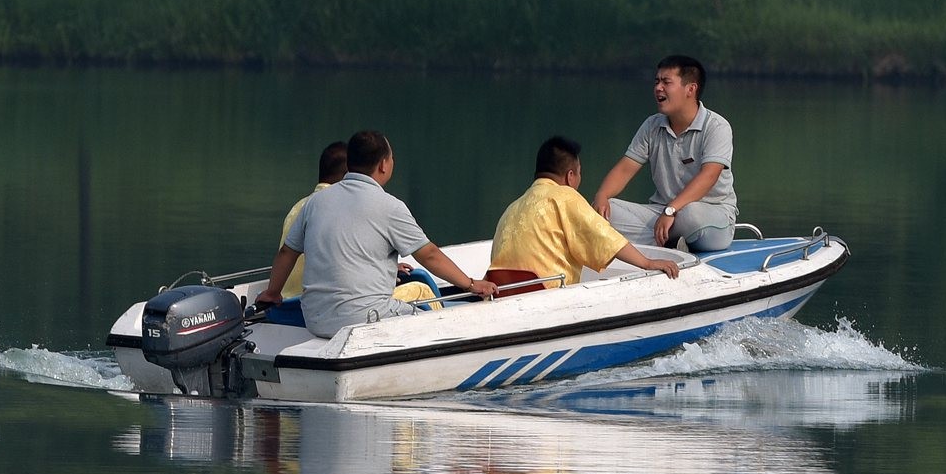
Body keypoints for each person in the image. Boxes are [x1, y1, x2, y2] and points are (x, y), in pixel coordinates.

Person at [256, 130, 496, 337]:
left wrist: (272, 293)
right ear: (383, 165)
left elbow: (287, 252)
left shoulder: (315, 202)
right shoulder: (390, 207)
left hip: (315, 321)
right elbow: (429, 255)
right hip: (365, 318)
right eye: (391, 158)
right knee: (433, 318)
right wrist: (471, 284)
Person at [593, 55, 740, 253]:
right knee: (605, 210)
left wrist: (672, 210)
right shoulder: (651, 126)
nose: (658, 88)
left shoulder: (717, 126)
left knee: (690, 215)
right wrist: (602, 196)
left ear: (690, 89)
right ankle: (671, 244)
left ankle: (644, 244)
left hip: (711, 215)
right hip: (662, 212)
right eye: (657, 81)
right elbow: (625, 169)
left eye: (666, 82)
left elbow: (709, 176)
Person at [492, 136, 683, 286]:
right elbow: (604, 236)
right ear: (570, 176)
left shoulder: (512, 208)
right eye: (579, 173)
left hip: (505, 291)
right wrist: (647, 263)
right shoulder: (565, 196)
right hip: (545, 290)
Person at [276, 140, 349, 299]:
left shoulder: (298, 206)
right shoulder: (342, 208)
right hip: (318, 301)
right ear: (348, 175)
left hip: (286, 299)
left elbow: (286, 252)